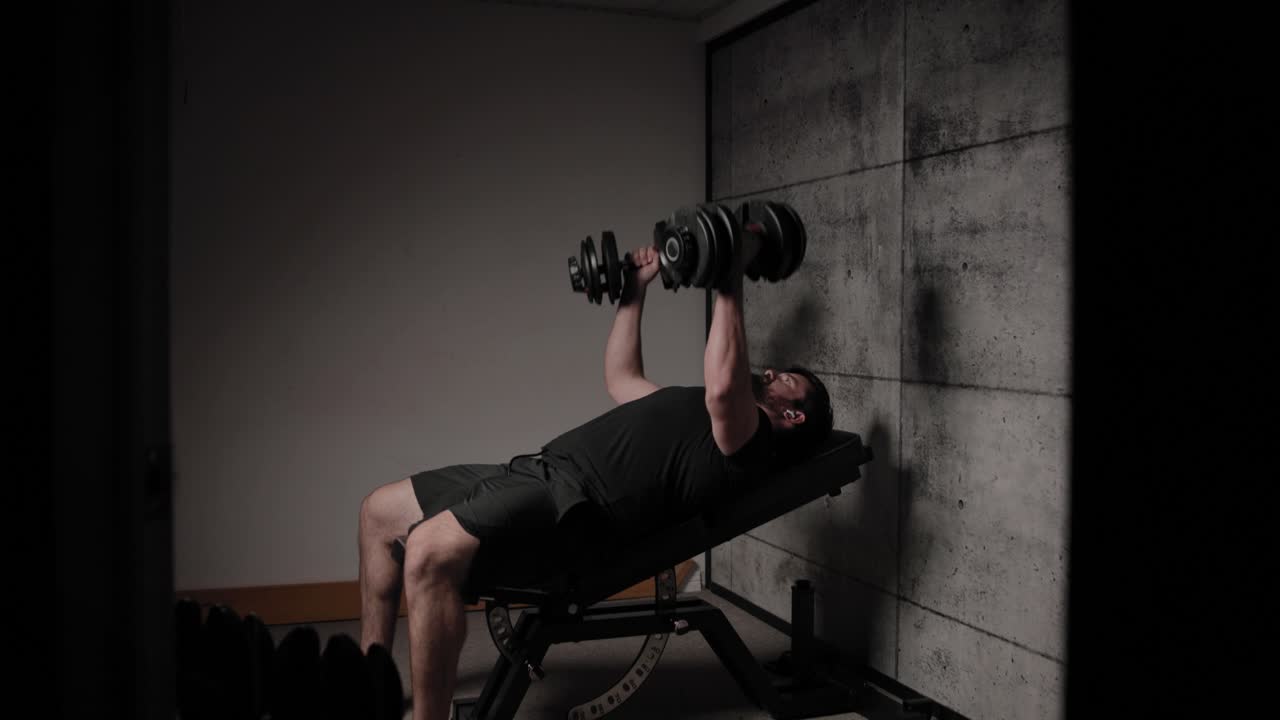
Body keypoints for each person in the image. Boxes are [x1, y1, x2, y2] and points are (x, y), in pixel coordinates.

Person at [356, 230, 834, 719]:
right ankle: (369, 687)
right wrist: (634, 293)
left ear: (793, 416)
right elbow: (620, 379)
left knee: (427, 551)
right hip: (533, 471)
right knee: (378, 512)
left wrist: (729, 279)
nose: (772, 374)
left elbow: (723, 389)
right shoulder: (699, 410)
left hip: (570, 505)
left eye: (786, 381)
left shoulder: (746, 445)